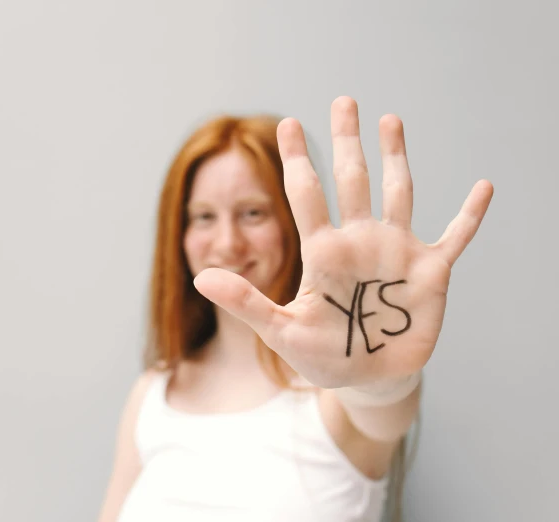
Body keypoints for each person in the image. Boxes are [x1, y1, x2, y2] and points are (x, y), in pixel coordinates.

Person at [95, 96, 494, 522]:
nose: (227, 243)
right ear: (179, 233)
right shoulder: (154, 392)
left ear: (291, 221)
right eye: (204, 217)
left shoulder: (335, 385)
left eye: (253, 213)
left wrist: (380, 373)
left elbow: (381, 402)